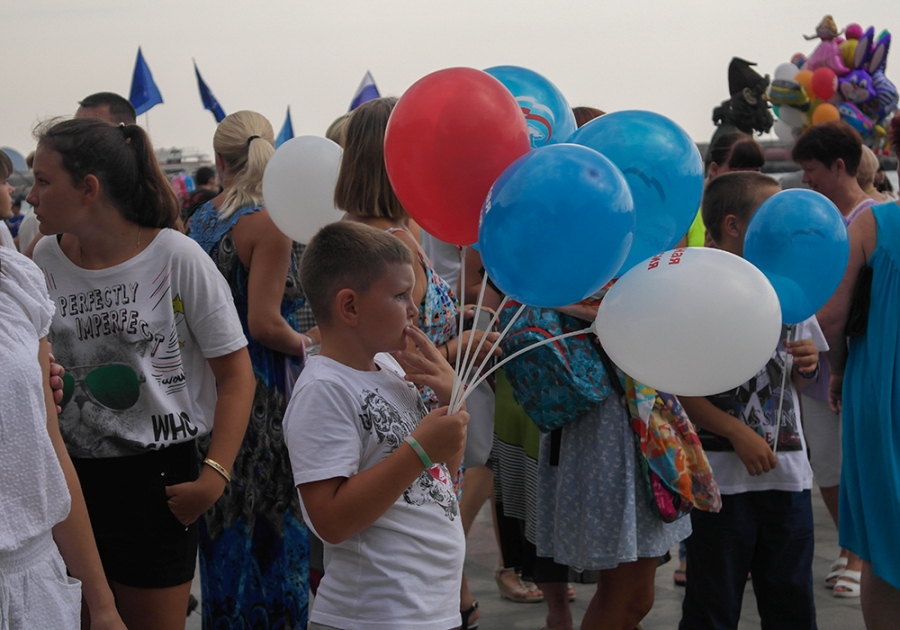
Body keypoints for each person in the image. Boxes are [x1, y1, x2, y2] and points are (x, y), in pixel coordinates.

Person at [29, 117, 255, 630]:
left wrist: (214, 477)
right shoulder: (42, 258)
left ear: (89, 189)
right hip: (69, 480)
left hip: (158, 483)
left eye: (44, 182)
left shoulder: (175, 256)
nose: (30, 197)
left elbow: (238, 375)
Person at [333, 97, 500, 629]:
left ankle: (459, 599)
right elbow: (400, 355)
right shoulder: (395, 243)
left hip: (385, 417)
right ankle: (460, 605)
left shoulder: (346, 233)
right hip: (417, 415)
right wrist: (464, 341)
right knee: (420, 538)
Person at [283, 220, 470, 629]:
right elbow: (330, 520)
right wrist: (419, 448)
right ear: (349, 306)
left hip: (429, 609)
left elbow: (439, 479)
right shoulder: (323, 389)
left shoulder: (387, 368)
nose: (415, 309)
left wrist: (451, 402)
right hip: (373, 614)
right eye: (401, 295)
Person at [678, 171, 823, 630]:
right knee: (712, 606)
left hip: (788, 479)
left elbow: (795, 380)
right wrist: (736, 431)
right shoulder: (699, 293)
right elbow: (682, 389)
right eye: (769, 214)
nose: (782, 224)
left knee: (791, 603)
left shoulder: (791, 288)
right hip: (721, 483)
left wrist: (808, 366)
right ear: (733, 225)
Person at [188, 110, 312, 629]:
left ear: (219, 159)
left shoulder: (200, 219)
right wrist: (309, 342)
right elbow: (263, 323)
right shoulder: (271, 222)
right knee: (274, 534)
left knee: (224, 532)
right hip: (263, 392)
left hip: (209, 388)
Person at [816, 115, 900, 630]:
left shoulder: (874, 223)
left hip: (880, 388)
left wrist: (840, 374)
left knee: (884, 545)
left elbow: (833, 317)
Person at [792, 120, 871, 595]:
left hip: (854, 365)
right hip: (815, 367)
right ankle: (849, 546)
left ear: (840, 166)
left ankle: (858, 554)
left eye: (812, 169)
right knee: (825, 462)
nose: (806, 179)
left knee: (858, 461)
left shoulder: (875, 219)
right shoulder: (815, 222)